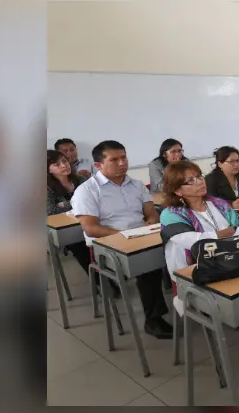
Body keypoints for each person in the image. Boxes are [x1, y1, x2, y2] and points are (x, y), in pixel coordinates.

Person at [158, 161, 239, 366]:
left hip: (235, 262)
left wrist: (217, 239)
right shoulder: (171, 214)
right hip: (200, 273)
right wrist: (224, 235)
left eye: (199, 176)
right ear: (177, 190)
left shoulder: (218, 203)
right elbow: (193, 243)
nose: (200, 182)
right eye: (190, 181)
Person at [71, 140, 173, 339]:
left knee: (180, 247)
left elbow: (151, 214)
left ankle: (192, 301)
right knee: (148, 266)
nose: (122, 163)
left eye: (124, 157)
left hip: (141, 237)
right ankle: (154, 320)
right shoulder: (87, 190)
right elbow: (91, 228)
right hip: (108, 245)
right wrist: (125, 237)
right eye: (114, 159)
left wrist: (149, 225)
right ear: (99, 165)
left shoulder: (136, 185)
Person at [46, 149, 91, 276]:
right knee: (79, 244)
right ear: (48, 170)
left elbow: (93, 200)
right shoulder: (46, 188)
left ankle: (112, 273)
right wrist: (74, 203)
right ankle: (98, 281)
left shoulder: (81, 180)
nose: (64, 165)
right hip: (66, 230)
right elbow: (51, 211)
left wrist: (63, 204)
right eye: (57, 164)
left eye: (64, 161)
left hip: (87, 221)